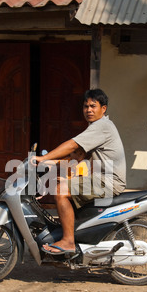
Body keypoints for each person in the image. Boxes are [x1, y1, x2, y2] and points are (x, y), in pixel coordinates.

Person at [33, 89, 126, 256]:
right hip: (102, 178)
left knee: (61, 190)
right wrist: (50, 162)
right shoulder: (98, 127)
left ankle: (68, 241)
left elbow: (72, 145)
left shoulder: (102, 126)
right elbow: (77, 156)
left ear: (103, 109)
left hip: (108, 181)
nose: (88, 110)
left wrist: (44, 157)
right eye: (85, 106)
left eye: (93, 106)